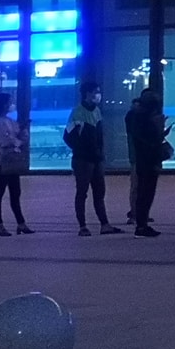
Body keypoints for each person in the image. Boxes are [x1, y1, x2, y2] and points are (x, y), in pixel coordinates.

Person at [63, 81, 120, 236]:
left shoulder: (97, 111)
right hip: (83, 160)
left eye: (98, 91)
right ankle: (82, 226)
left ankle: (105, 224)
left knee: (99, 192)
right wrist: (81, 149)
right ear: (87, 93)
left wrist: (100, 153)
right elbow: (67, 136)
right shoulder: (77, 113)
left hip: (97, 159)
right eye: (95, 91)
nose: (98, 95)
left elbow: (100, 135)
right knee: (82, 192)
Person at [124, 85, 167, 237]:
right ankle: (141, 225)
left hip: (144, 161)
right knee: (145, 193)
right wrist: (159, 130)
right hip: (147, 161)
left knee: (144, 192)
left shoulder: (138, 118)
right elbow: (151, 141)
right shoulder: (144, 120)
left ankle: (142, 223)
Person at [0, 91, 31, 236]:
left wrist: (22, 132)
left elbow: (17, 135)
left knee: (15, 192)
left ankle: (21, 223)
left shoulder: (9, 120)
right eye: (9, 102)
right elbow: (5, 141)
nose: (11, 105)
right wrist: (18, 141)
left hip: (10, 160)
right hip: (0, 162)